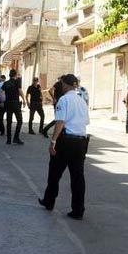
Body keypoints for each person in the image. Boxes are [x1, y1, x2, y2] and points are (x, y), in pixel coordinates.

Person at [39, 74, 90, 220]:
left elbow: (60, 122)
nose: (60, 86)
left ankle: (49, 201)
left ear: (65, 85)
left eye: (61, 83)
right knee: (78, 178)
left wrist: (53, 141)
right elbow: (86, 122)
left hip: (65, 141)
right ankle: (78, 210)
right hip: (80, 142)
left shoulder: (64, 99)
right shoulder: (82, 100)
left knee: (54, 173)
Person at [2, 69, 28, 145]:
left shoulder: (6, 83)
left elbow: (0, 91)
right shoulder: (17, 82)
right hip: (15, 103)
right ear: (15, 75)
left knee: (9, 122)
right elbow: (20, 91)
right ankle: (16, 138)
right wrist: (24, 100)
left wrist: (3, 100)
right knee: (20, 120)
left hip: (8, 104)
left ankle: (8, 140)